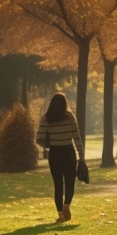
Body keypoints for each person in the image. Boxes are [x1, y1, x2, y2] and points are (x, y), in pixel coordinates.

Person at [36, 93, 85, 223]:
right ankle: (66, 205)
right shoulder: (70, 118)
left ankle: (60, 214)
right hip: (69, 152)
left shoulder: (46, 118)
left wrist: (49, 142)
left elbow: (39, 139)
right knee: (70, 183)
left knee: (58, 185)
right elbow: (77, 138)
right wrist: (81, 155)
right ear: (65, 104)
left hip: (55, 153)